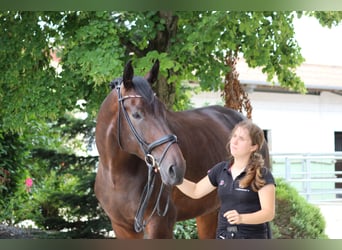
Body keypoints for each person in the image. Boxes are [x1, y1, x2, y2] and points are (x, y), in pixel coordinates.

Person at [176, 119, 276, 239]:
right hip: (224, 236)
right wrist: (175, 177)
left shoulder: (262, 174)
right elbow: (195, 191)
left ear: (253, 147)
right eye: (234, 136)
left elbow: (268, 213)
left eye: (242, 139)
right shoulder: (220, 169)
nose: (235, 141)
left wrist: (242, 218)